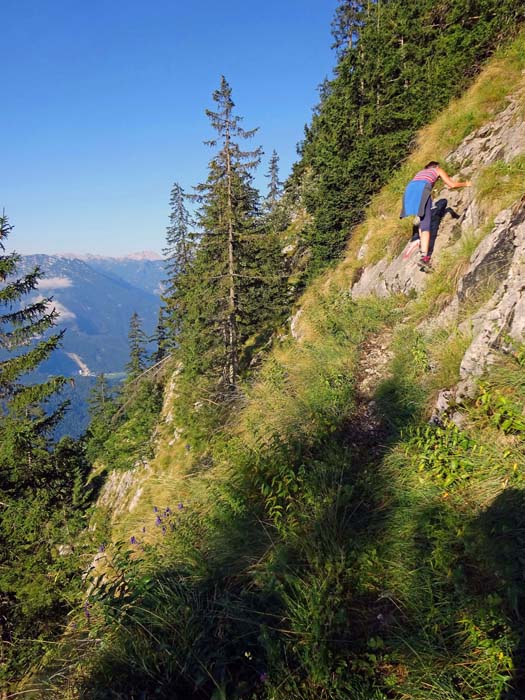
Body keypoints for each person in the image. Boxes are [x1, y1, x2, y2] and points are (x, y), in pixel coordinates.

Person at [400, 161, 471, 270]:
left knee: (421, 216)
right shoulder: (437, 170)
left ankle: (418, 240)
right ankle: (425, 257)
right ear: (436, 167)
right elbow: (451, 185)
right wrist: (466, 184)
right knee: (426, 225)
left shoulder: (421, 172)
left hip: (409, 190)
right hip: (422, 189)